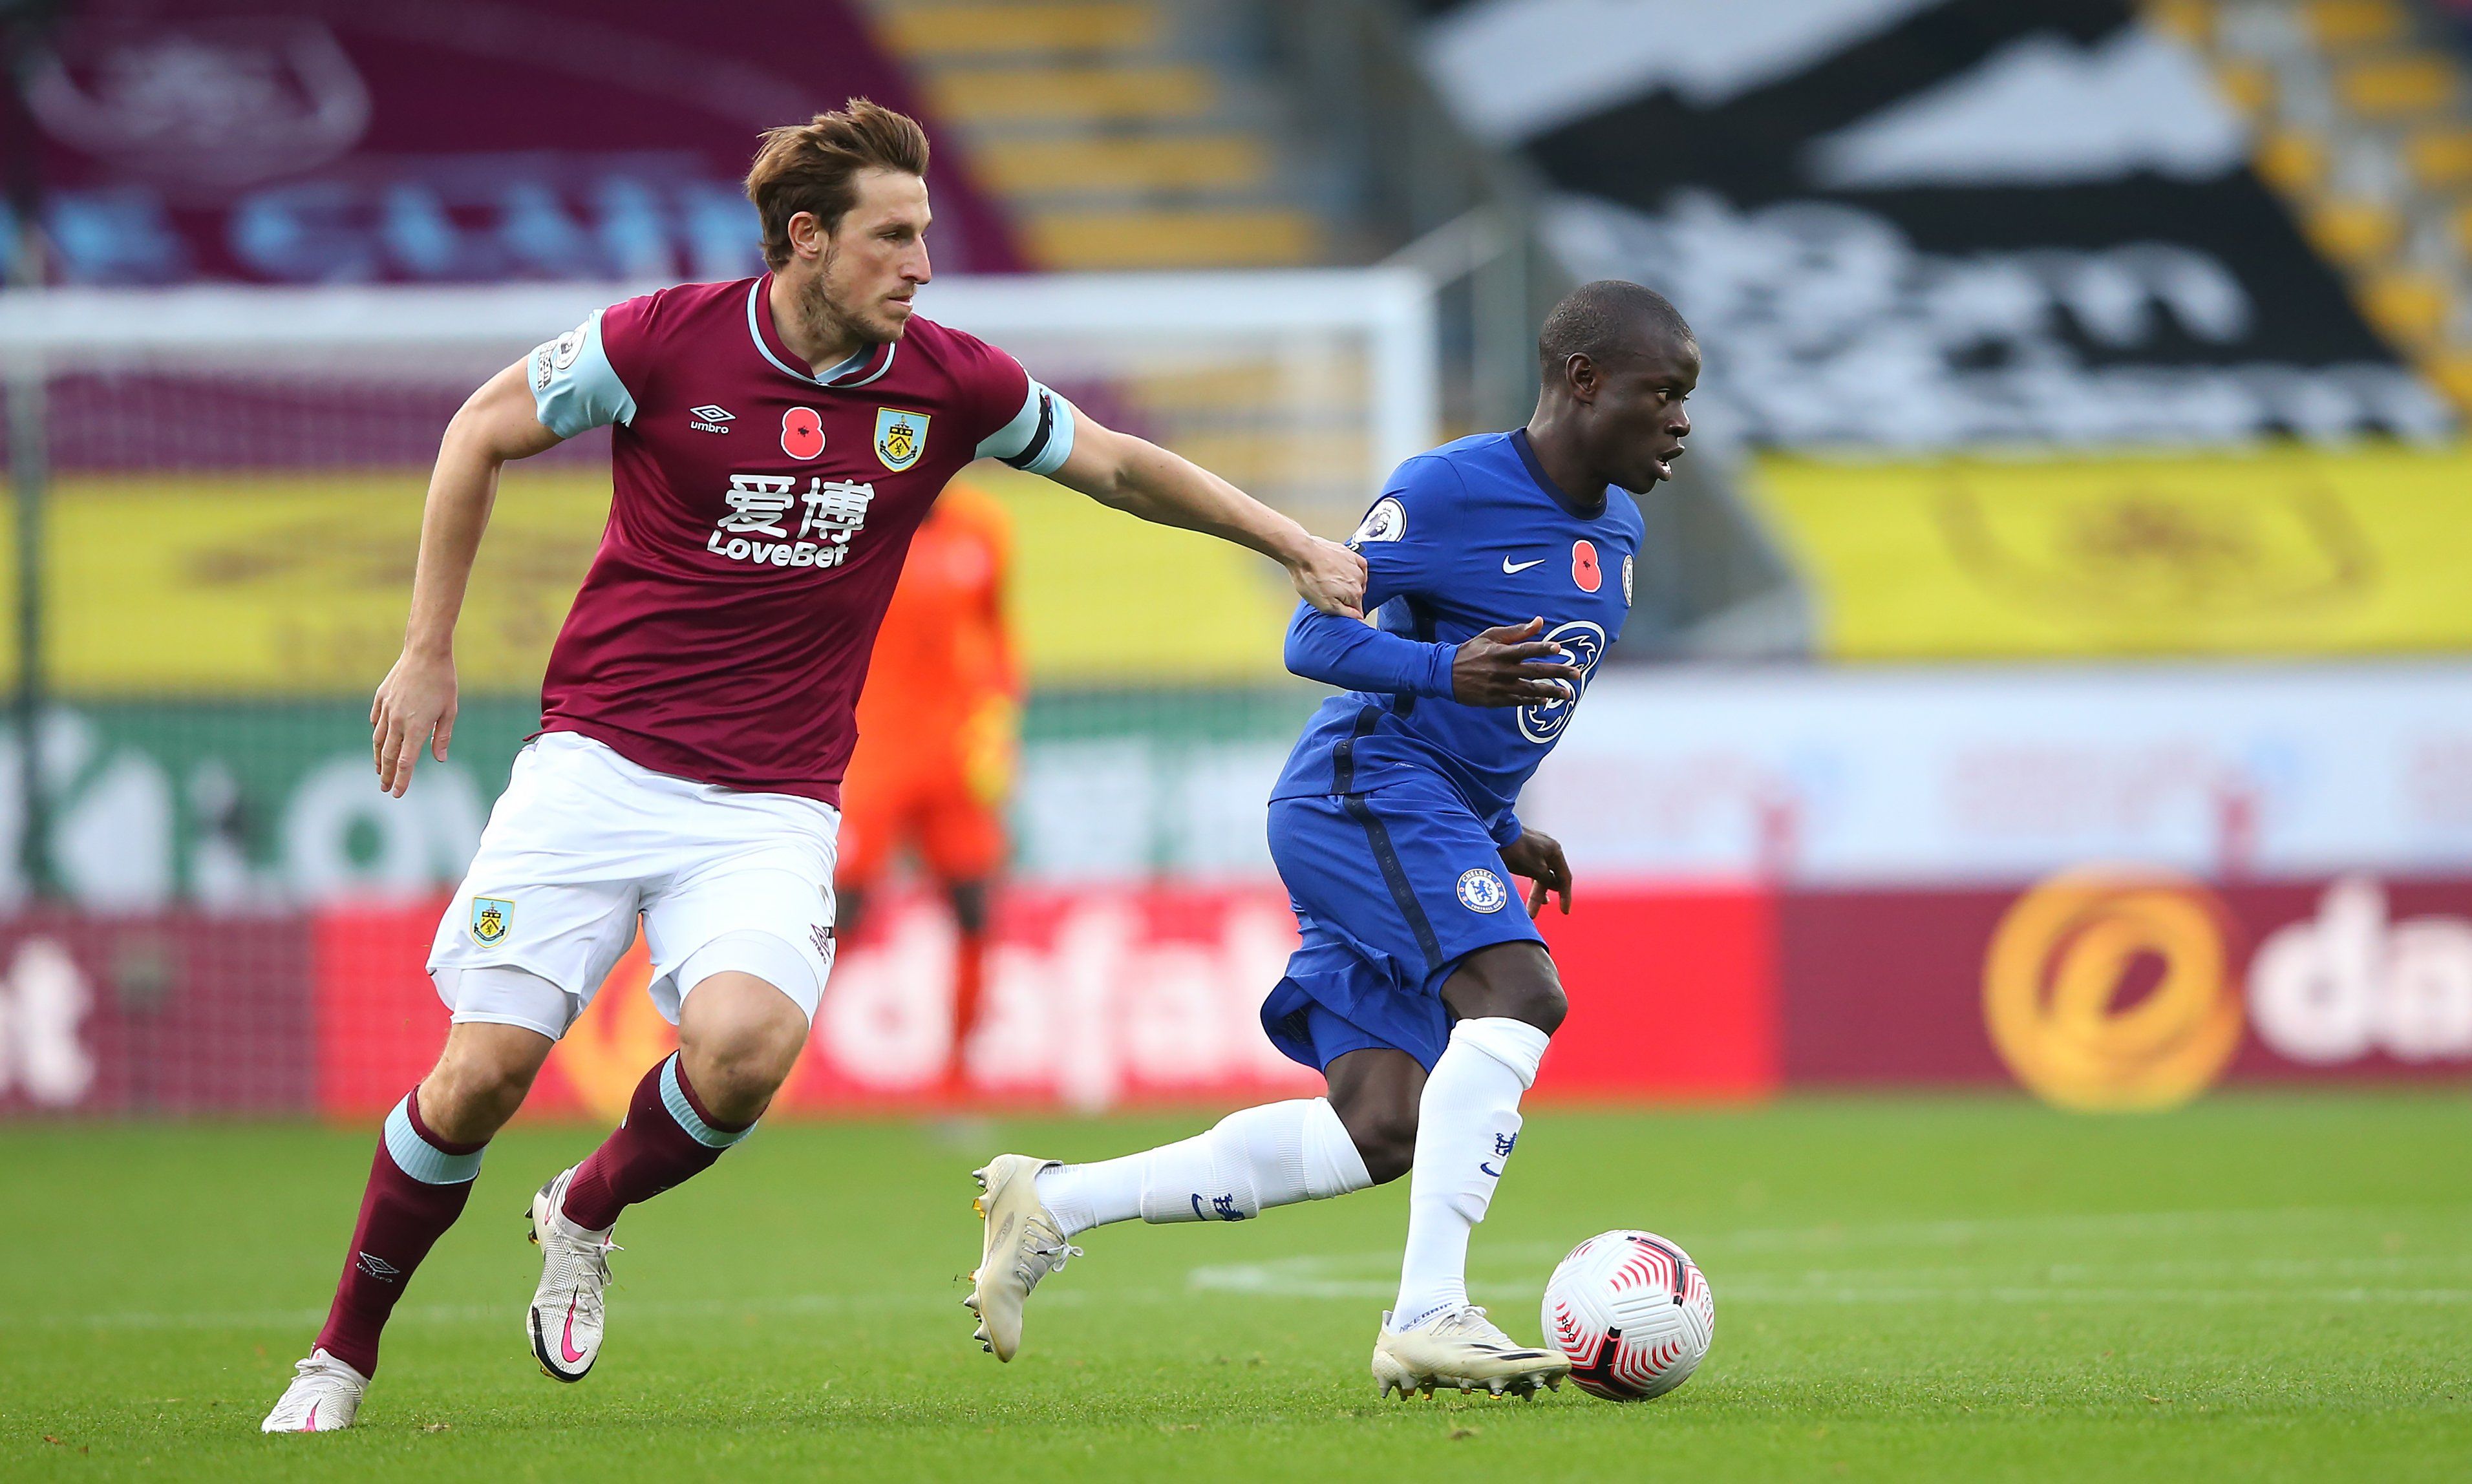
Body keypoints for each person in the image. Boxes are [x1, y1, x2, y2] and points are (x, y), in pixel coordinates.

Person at [261, 99, 1364, 1433]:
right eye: (892, 237)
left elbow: (1120, 465)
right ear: (807, 239)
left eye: (926, 235)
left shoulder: (950, 381)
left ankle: (586, 1205)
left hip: (772, 800)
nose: (921, 263)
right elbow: (478, 429)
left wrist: (1291, 543)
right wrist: (424, 648)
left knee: (743, 1053)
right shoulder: (659, 342)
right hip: (596, 768)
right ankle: (338, 1356)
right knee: (478, 1078)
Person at [967, 280, 1696, 1399]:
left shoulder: (1620, 527)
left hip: (1431, 809)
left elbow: (1501, 713)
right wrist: (1438, 667)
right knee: (1519, 993)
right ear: (1582, 382)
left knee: (1377, 1127)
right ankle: (1427, 1312)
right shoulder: (1449, 490)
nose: (1681, 421)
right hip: (1359, 789)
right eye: (1663, 392)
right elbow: (1313, 635)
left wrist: (1498, 826)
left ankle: (1052, 1201)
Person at [833, 479, 1018, 1092]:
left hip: (952, 757)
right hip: (871, 750)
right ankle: (762, 1070)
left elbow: (998, 638)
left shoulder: (981, 528)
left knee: (973, 909)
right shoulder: (857, 522)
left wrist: (995, 722)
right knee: (838, 914)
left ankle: (958, 1083)